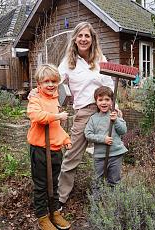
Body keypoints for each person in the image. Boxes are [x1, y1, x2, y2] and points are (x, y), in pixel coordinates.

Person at [57, 22, 116, 206]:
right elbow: (54, 80)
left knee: (108, 153)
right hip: (83, 112)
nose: (83, 39)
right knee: (72, 155)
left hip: (103, 111)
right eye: (80, 35)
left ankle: (105, 195)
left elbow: (109, 83)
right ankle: (61, 197)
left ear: (92, 39)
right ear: (75, 38)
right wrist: (39, 93)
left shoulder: (99, 58)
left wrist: (115, 105)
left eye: (87, 36)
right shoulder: (68, 62)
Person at [27, 64, 72, 230]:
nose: (51, 84)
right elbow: (36, 116)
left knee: (54, 183)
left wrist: (65, 139)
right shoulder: (35, 99)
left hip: (54, 150)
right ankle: (42, 216)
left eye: (54, 81)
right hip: (39, 150)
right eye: (46, 81)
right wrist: (56, 116)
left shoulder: (55, 100)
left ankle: (55, 212)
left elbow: (56, 127)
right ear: (39, 83)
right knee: (41, 185)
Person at [84, 86, 127, 190]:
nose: (104, 102)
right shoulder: (93, 119)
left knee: (114, 181)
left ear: (112, 101)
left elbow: (123, 131)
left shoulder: (115, 116)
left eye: (107, 99)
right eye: (100, 100)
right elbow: (88, 134)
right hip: (100, 156)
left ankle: (112, 204)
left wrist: (116, 120)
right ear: (96, 102)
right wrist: (103, 139)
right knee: (98, 181)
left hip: (116, 154)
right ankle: (97, 204)